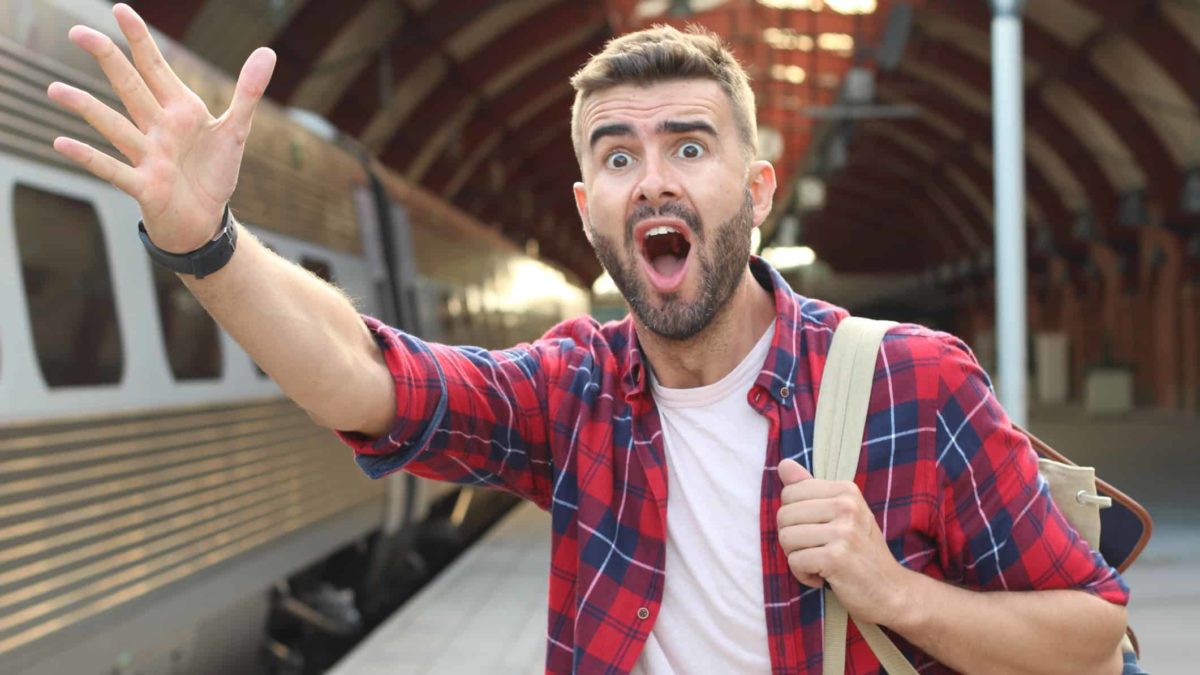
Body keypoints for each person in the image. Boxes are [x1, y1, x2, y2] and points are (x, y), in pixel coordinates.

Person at [49, 5, 1131, 673]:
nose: (652, 175)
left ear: (755, 188)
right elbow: (365, 381)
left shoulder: (914, 383)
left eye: (689, 145)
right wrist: (205, 246)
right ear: (585, 207)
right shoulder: (573, 391)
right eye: (617, 156)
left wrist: (895, 594)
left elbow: (1090, 639)